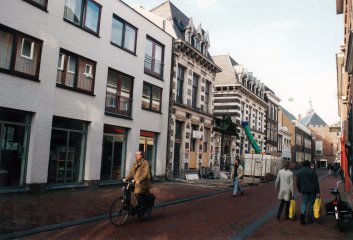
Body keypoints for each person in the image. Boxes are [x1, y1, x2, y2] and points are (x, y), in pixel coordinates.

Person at [124, 151, 155, 215]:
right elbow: (132, 172)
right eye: (135, 155)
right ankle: (128, 205)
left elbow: (145, 173)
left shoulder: (145, 162)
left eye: (137, 155)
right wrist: (127, 178)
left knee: (137, 192)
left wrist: (139, 180)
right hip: (136, 181)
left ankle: (141, 207)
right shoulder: (135, 163)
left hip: (144, 181)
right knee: (127, 189)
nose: (136, 156)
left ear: (141, 156)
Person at [296, 160, 320, 225]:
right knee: (311, 204)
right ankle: (309, 218)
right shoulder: (312, 172)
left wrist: (299, 189)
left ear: (303, 165)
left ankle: (303, 213)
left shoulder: (299, 172)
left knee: (304, 203)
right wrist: (318, 191)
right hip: (312, 190)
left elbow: (298, 182)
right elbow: (316, 183)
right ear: (309, 165)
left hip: (303, 190)